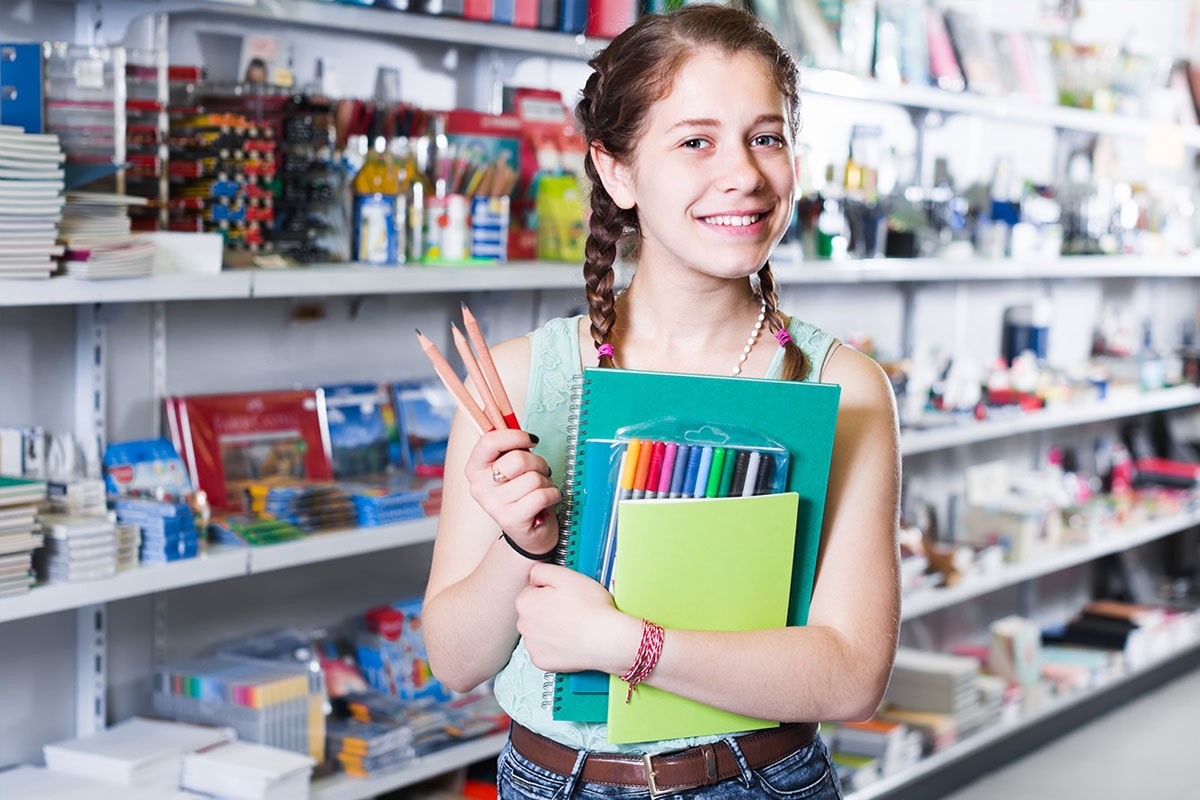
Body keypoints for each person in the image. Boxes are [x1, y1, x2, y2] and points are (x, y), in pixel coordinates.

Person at [423, 6, 900, 799]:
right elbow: (454, 661)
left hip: (756, 780)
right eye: (695, 141)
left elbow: (851, 678)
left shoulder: (841, 387)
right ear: (615, 170)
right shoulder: (515, 378)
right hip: (548, 781)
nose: (744, 174)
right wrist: (520, 546)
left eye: (767, 136)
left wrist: (628, 645)